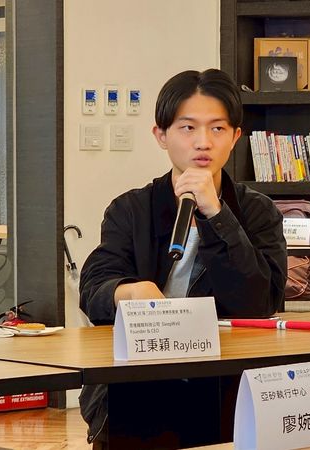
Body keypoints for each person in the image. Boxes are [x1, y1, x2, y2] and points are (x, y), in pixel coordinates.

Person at [78, 69, 288, 449]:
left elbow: (260, 302)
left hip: (225, 383)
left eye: (218, 128)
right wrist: (129, 292)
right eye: (187, 128)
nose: (203, 142)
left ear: (235, 137)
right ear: (161, 135)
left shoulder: (258, 212)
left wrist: (217, 215)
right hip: (141, 384)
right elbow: (94, 289)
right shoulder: (131, 210)